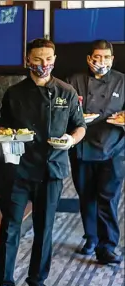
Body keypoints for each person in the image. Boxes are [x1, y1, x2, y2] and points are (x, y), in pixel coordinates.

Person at [0, 39, 86, 286]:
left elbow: (80, 126)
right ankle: (4, 282)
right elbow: (3, 125)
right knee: (10, 226)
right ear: (27, 61)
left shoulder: (66, 92)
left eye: (48, 59)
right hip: (18, 168)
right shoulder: (14, 93)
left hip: (51, 168)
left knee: (44, 229)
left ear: (54, 60)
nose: (43, 65)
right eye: (37, 60)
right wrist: (3, 133)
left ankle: (37, 281)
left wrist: (70, 140)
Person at [66, 40, 124, 264]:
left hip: (114, 147)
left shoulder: (122, 81)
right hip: (82, 146)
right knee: (87, 196)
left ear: (112, 59)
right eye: (97, 57)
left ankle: (108, 245)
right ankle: (91, 237)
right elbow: (66, 112)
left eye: (106, 57)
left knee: (108, 198)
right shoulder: (73, 81)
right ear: (89, 58)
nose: (101, 62)